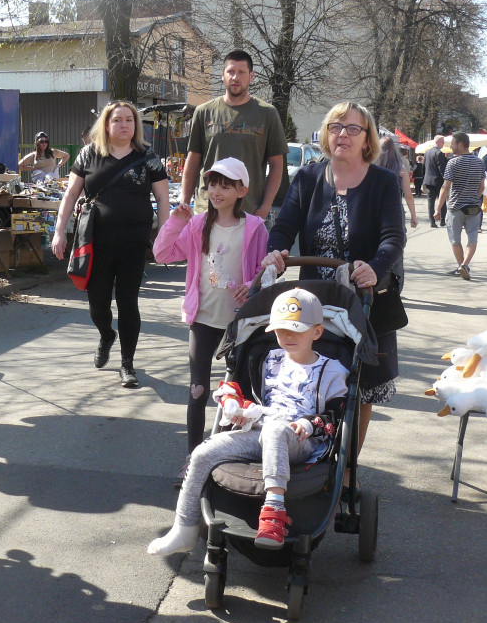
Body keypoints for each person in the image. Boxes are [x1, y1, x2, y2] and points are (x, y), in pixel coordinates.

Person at [147, 287, 348, 554]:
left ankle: (274, 512)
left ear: (317, 332)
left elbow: (335, 415)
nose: (287, 336)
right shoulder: (267, 359)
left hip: (303, 441)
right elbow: (239, 390)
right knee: (203, 452)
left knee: (277, 429)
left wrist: (310, 424)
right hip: (261, 431)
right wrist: (236, 406)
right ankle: (184, 527)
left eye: (296, 330)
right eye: (280, 330)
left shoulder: (332, 370)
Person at [261, 101, 404, 469]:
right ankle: (299, 450)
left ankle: (343, 468)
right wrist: (275, 252)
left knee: (359, 390)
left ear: (366, 138)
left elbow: (393, 238)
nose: (343, 134)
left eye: (353, 128)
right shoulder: (308, 177)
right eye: (336, 126)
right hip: (314, 300)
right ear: (326, 133)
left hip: (363, 300)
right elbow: (284, 226)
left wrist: (374, 268)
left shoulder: (383, 182)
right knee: (309, 376)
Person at [152, 157, 269, 478]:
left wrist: (251, 285)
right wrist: (175, 221)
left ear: (242, 190)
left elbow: (266, 273)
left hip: (239, 325)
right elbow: (162, 253)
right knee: (197, 391)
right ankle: (193, 460)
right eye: (213, 184)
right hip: (202, 320)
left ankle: (229, 458)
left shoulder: (255, 228)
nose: (217, 191)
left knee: (236, 395)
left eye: (226, 185)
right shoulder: (198, 224)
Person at [51, 101, 170, 388]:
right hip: (96, 242)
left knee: (128, 302)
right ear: (107, 124)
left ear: (135, 125)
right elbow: (70, 196)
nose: (124, 125)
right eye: (117, 120)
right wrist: (59, 231)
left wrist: (164, 239)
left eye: (129, 120)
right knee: (98, 305)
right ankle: (106, 334)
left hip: (134, 242)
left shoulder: (148, 156)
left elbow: (163, 200)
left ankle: (127, 365)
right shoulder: (89, 154)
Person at [180, 50, 288, 222]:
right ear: (223, 74)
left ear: (251, 76)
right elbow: (193, 159)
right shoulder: (204, 112)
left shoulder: (267, 114)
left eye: (242, 72)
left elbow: (277, 165)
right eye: (231, 71)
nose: (235, 77)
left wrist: (265, 207)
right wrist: (184, 202)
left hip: (249, 213)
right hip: (207, 212)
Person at [435, 132, 485, 281]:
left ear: (461, 144)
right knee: (472, 238)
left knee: (455, 240)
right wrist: (474, 197)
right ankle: (464, 265)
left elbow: (445, 187)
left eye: (452, 144)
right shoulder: (479, 162)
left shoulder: (453, 162)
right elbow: (482, 186)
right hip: (474, 208)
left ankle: (461, 265)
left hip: (455, 207)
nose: (450, 147)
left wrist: (438, 208)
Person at [377, 136, 419, 232]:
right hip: (394, 208)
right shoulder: (401, 169)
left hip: (375, 207)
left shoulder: (372, 168)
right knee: (396, 239)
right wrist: (413, 215)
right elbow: (408, 195)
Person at [422, 135, 448, 227]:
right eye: (442, 142)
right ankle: (442, 220)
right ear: (438, 142)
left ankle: (432, 222)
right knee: (442, 201)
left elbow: (424, 167)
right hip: (438, 181)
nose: (443, 144)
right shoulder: (439, 153)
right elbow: (442, 168)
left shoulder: (427, 152)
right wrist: (446, 179)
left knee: (430, 202)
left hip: (428, 181)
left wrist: (423, 180)